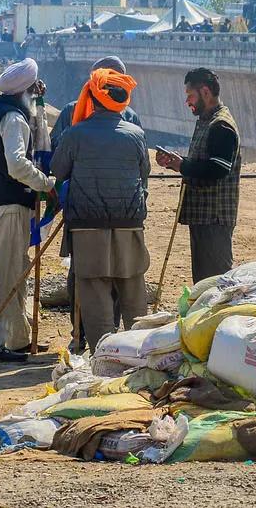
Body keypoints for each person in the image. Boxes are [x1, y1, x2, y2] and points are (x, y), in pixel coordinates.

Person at [51, 68, 149, 353]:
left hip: (87, 226)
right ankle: (140, 353)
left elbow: (57, 170)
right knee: (132, 289)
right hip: (129, 223)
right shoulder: (137, 135)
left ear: (93, 99)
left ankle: (106, 355)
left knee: (94, 292)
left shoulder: (75, 134)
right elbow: (144, 174)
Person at [0, 59, 55, 363]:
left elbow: (35, 130)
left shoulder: (2, 110)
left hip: (8, 205)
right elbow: (17, 164)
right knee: (1, 279)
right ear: (25, 90)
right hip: (7, 207)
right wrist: (45, 183)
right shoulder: (13, 118)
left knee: (17, 275)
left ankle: (18, 340)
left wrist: (39, 101)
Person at [155, 68, 242, 282]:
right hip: (203, 217)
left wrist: (183, 166)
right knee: (203, 282)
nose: (188, 102)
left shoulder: (221, 125)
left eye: (190, 95)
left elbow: (217, 170)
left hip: (214, 217)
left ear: (205, 92)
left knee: (215, 283)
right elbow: (202, 163)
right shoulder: (206, 120)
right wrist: (177, 164)